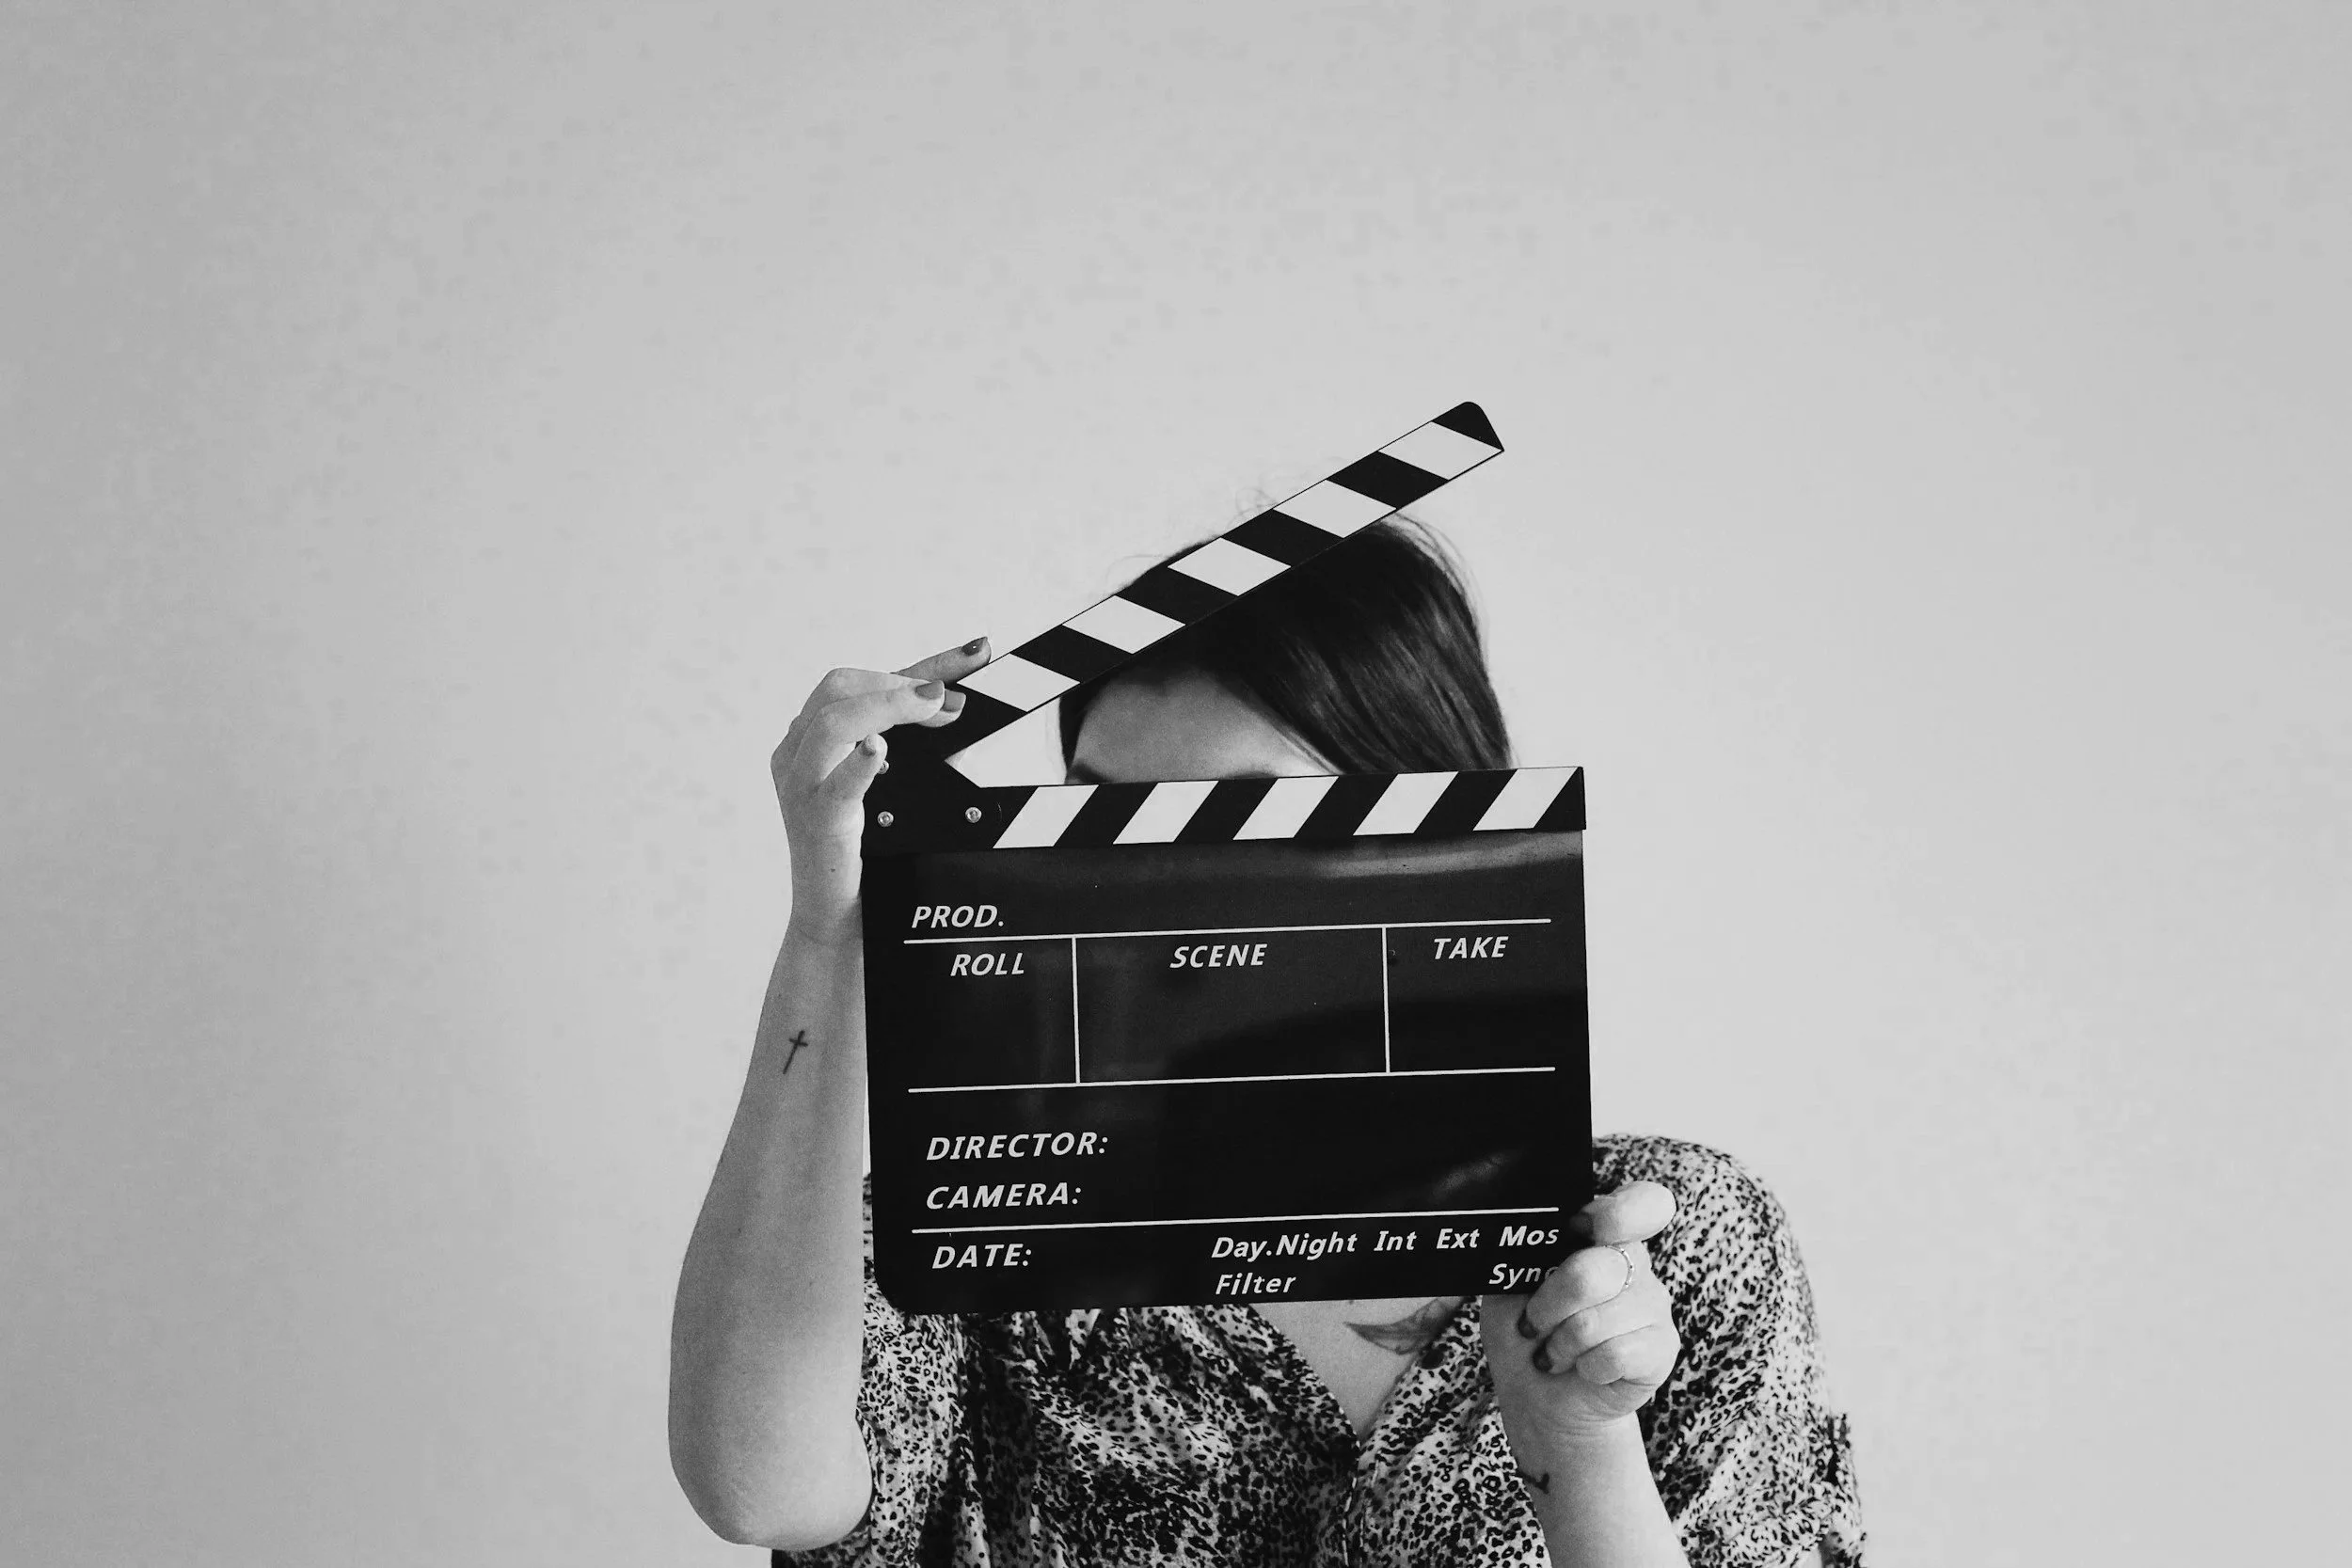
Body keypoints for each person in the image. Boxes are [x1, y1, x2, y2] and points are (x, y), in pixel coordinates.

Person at [670, 517, 1866, 1567]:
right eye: (1096, 815)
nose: (1142, 894)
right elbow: (758, 1484)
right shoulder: (990, 1216)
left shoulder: (1664, 1242)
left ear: (1427, 832)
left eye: (1233, 817)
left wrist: (1579, 1444)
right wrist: (833, 925)